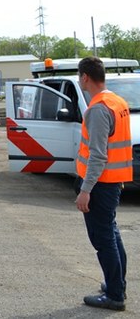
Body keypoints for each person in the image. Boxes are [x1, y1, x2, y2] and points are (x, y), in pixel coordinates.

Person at [75, 57, 132, 311]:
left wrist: (85, 190)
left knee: (103, 238)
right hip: (113, 181)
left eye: (80, 76)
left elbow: (98, 155)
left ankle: (115, 295)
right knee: (111, 234)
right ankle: (115, 284)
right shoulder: (117, 101)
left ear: (85, 77)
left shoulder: (98, 108)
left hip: (100, 184)